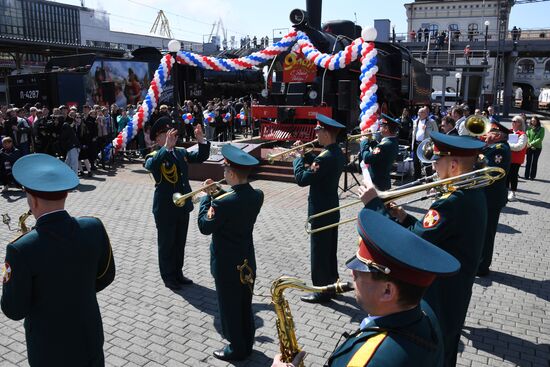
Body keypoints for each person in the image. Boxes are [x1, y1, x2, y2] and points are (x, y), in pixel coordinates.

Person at [359, 132, 489, 366]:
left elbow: (412, 245)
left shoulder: (451, 201)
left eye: (437, 161)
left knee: (436, 347)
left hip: (441, 290)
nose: (434, 167)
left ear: (453, 164)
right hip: (456, 286)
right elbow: (434, 234)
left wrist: (374, 206)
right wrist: (404, 217)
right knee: (447, 344)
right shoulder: (473, 193)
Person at [271, 209, 461, 367]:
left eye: (360, 271)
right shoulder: (426, 312)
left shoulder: (365, 362)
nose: (352, 274)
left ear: (387, 291)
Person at [1, 153, 115, 366]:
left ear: (32, 199)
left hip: (49, 349)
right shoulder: (93, 227)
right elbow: (105, 275)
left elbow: (14, 309)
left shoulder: (20, 249)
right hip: (89, 338)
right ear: (65, 194)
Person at [197, 144, 264, 361]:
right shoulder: (257, 195)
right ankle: (246, 341)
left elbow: (204, 227)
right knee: (244, 302)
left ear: (232, 173)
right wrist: (217, 193)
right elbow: (237, 199)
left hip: (226, 263)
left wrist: (207, 198)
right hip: (246, 259)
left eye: (225, 170)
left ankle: (236, 348)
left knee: (229, 306)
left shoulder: (222, 204)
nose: (223, 174)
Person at [144, 117, 210, 290]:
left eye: (171, 132)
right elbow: (152, 165)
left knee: (180, 242)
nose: (170, 136)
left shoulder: (180, 152)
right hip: (165, 208)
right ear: (158, 139)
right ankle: (168, 276)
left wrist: (201, 140)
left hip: (183, 206)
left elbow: (200, 156)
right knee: (167, 243)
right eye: (165, 134)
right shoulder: (154, 155)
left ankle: (178, 273)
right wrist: (166, 148)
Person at [293, 114, 346, 303]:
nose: (315, 133)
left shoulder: (324, 158)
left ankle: (321, 290)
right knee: (329, 248)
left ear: (326, 133)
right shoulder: (336, 152)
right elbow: (321, 167)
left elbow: (302, 179)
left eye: (318, 130)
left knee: (319, 250)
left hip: (320, 209)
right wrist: (307, 154)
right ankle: (331, 284)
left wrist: (298, 159)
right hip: (331, 206)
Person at [477, 122, 511, 277]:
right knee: (482, 232)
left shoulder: (500, 149)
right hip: (487, 197)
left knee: (487, 233)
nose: (486, 134)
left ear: (497, 135)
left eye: (489, 132)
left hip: (491, 198)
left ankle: (483, 267)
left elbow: (490, 172)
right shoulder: (492, 147)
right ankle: (480, 263)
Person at [360, 114, 400, 191]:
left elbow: (367, 158)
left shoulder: (385, 144)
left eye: (381, 126)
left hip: (377, 184)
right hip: (383, 180)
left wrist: (364, 142)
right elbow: (380, 152)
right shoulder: (392, 141)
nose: (379, 128)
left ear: (386, 128)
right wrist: (371, 140)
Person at [411, 107, 438, 180]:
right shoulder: (415, 121)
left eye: (420, 112)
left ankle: (429, 178)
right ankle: (417, 177)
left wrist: (433, 144)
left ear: (426, 114)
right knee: (416, 161)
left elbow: (436, 133)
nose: (418, 114)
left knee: (426, 162)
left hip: (426, 145)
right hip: (416, 144)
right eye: (418, 112)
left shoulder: (431, 122)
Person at [507, 116, 527, 201]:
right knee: (506, 175)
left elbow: (519, 147)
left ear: (520, 123)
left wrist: (507, 145)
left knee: (513, 175)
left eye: (515, 121)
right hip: (507, 157)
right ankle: (505, 191)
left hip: (516, 159)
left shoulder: (523, 135)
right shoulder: (509, 131)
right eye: (512, 121)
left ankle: (513, 192)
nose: (513, 122)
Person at [524, 116, 544, 180]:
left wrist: (531, 144)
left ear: (537, 121)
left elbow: (540, 139)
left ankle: (532, 176)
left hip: (537, 148)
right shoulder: (529, 128)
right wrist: (529, 144)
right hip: (529, 147)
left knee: (534, 162)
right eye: (532, 121)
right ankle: (526, 175)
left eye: (534, 121)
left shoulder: (541, 129)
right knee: (528, 161)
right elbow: (527, 137)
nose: (533, 122)